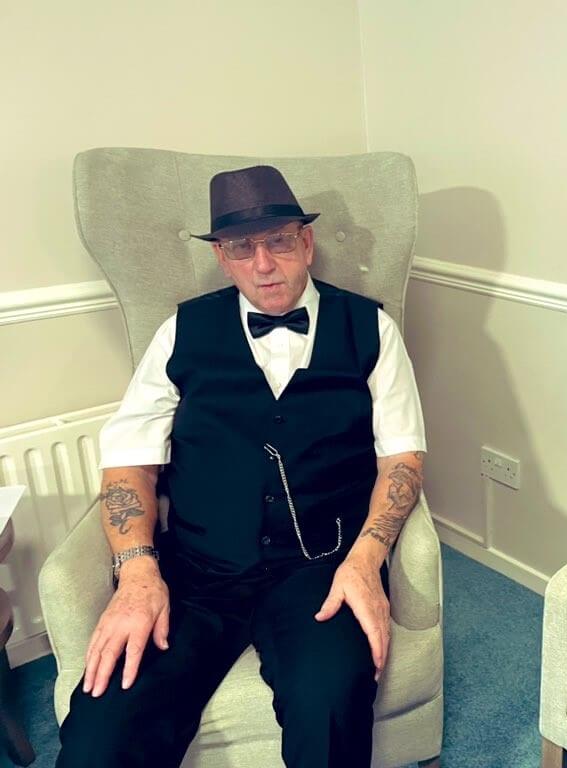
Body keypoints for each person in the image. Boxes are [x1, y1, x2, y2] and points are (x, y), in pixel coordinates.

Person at [56, 165, 427, 768]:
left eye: (279, 241)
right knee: (102, 729)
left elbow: (403, 460)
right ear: (221, 258)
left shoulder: (372, 329)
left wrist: (365, 562)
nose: (263, 264)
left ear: (306, 243)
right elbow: (129, 466)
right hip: (196, 573)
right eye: (241, 248)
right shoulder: (180, 332)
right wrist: (138, 573)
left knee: (332, 706)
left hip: (322, 570)